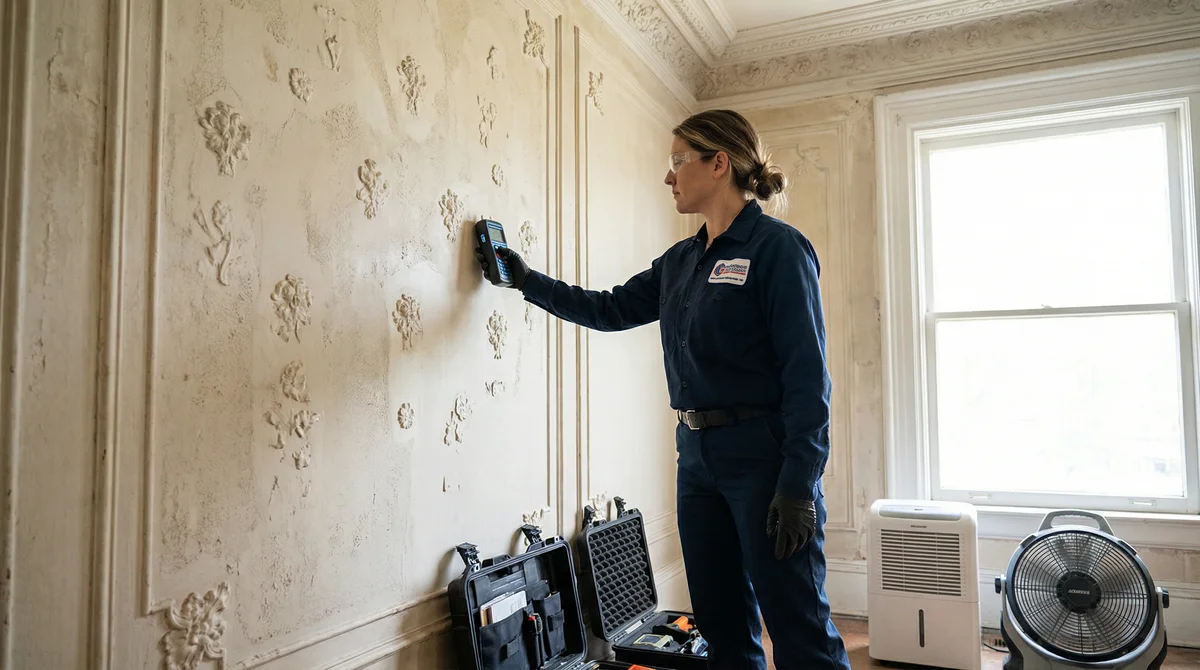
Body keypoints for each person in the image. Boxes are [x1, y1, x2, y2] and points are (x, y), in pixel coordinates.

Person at [474, 109, 850, 670]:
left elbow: (807, 378)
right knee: (722, 625)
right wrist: (526, 280)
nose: (669, 176)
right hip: (696, 460)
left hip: (764, 459)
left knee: (798, 627)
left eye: (678, 161)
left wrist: (798, 484)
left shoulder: (778, 250)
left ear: (718, 164)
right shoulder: (680, 262)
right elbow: (607, 308)